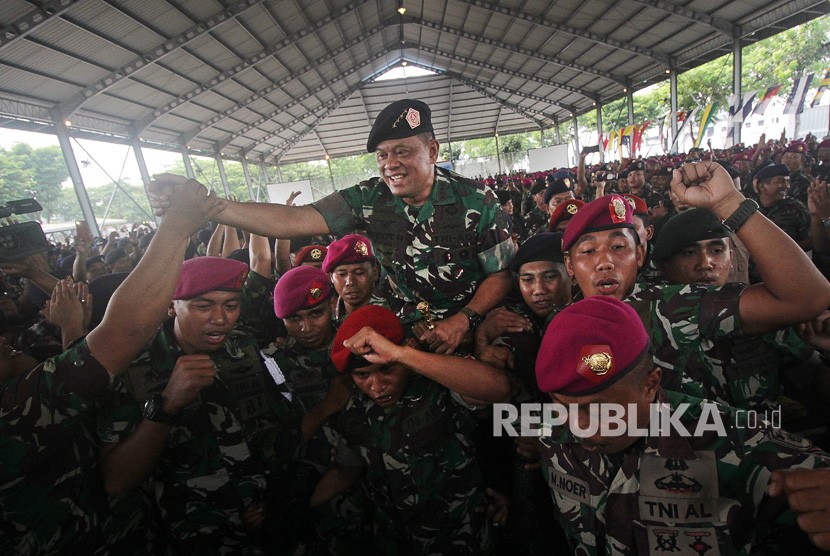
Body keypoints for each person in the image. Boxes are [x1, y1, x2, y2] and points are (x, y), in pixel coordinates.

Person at [149, 99, 514, 355]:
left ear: (432, 151)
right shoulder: (369, 197)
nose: (390, 164)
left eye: (403, 151)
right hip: (404, 331)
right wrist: (208, 205)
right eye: (382, 155)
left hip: (471, 328)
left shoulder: (477, 201)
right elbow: (294, 219)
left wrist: (464, 320)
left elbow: (501, 275)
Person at [0, 181, 220, 554]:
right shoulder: (13, 416)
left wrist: (40, 277)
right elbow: (123, 332)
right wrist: (176, 227)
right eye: (4, 351)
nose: (7, 344)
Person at [535, 295, 830, 554]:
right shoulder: (550, 432)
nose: (577, 427)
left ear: (651, 384)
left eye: (598, 409)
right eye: (560, 405)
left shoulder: (734, 441)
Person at [558, 162, 830, 407]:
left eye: (619, 247)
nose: (605, 262)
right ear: (570, 266)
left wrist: (730, 203)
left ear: (640, 255)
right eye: (588, 251)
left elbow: (806, 298)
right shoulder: (558, 329)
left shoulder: (675, 304)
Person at [95, 256, 301, 553]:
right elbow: (116, 481)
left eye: (231, 306)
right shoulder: (133, 371)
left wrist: (276, 497)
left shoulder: (244, 348)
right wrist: (166, 407)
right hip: (192, 536)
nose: (220, 319)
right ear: (171, 306)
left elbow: (273, 427)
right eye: (203, 306)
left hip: (267, 521)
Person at [311, 304, 510, 555]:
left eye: (387, 369)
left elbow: (499, 387)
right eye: (362, 375)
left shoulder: (437, 380)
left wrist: (401, 355)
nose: (377, 386)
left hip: (461, 538)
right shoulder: (353, 412)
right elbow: (346, 470)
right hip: (395, 542)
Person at [263, 265, 370, 552]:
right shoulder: (273, 365)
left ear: (332, 304)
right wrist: (328, 405)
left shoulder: (359, 342)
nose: (306, 328)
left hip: (374, 489)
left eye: (315, 314)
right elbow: (276, 445)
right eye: (293, 318)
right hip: (311, 498)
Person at [322, 233, 383, 322]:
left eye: (359, 273)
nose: (350, 281)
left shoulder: (397, 313)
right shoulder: (326, 318)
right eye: (342, 274)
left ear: (375, 273)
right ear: (331, 277)